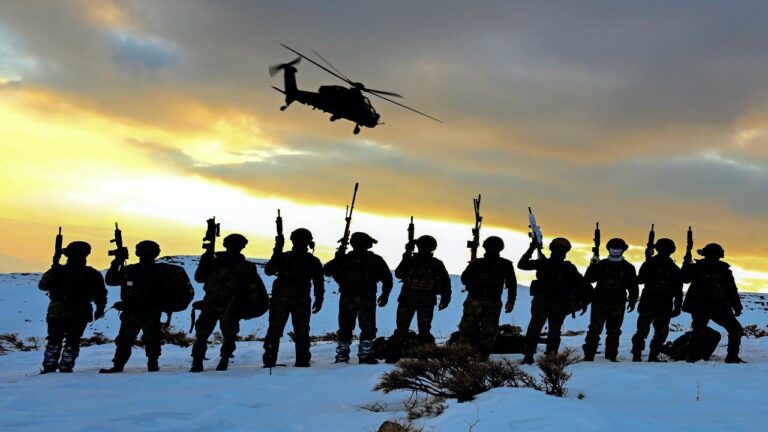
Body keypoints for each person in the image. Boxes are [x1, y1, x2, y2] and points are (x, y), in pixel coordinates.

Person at [100, 240, 192, 373]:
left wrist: (117, 262)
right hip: (134, 310)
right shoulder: (133, 270)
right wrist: (117, 261)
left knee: (148, 339)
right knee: (128, 340)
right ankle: (129, 364)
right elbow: (111, 280)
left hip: (149, 310)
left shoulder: (159, 271)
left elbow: (111, 280)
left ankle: (148, 364)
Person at [190, 233, 267, 372]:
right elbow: (199, 278)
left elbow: (199, 278)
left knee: (208, 333)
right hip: (222, 305)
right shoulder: (220, 263)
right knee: (221, 334)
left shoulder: (219, 263)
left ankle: (202, 361)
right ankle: (215, 360)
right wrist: (205, 259)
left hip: (224, 304)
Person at [323, 232, 393, 364]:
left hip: (348, 297)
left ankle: (343, 355)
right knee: (366, 327)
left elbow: (327, 270)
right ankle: (364, 354)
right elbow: (387, 279)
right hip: (365, 297)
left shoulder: (345, 259)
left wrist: (338, 258)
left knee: (346, 327)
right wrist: (385, 295)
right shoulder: (374, 259)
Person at [38, 241, 107, 373]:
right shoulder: (92, 273)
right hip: (79, 311)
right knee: (72, 340)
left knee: (55, 339)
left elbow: (42, 286)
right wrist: (100, 308)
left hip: (58, 310)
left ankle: (50, 366)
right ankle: (65, 366)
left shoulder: (59, 270)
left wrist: (54, 268)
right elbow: (100, 293)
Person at [518, 238, 587, 364]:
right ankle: (542, 356)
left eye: (561, 250)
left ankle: (541, 356)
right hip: (547, 303)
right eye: (558, 249)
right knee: (543, 330)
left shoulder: (561, 266)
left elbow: (582, 285)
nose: (559, 252)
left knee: (543, 330)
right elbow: (521, 265)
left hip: (553, 303)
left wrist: (531, 248)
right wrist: (532, 248)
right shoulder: (547, 264)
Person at [262, 228, 324, 367]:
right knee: (298, 331)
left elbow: (268, 271)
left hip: (286, 300)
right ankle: (301, 361)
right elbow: (318, 283)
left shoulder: (286, 257)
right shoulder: (309, 260)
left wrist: (277, 251)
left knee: (277, 330)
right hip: (295, 300)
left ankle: (270, 360)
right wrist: (319, 298)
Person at [682, 243, 744, 363]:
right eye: (710, 255)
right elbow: (685, 279)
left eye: (715, 255)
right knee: (699, 330)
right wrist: (686, 264)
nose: (713, 258)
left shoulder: (725, 272)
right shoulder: (697, 268)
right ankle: (693, 356)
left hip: (720, 306)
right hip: (701, 306)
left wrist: (737, 306)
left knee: (736, 330)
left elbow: (731, 290)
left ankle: (732, 356)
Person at [457, 236, 517, 358]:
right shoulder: (478, 263)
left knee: (488, 330)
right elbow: (465, 280)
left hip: (492, 301)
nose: (492, 250)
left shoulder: (505, 264)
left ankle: (482, 356)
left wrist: (511, 300)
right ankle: (464, 355)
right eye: (491, 247)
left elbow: (511, 284)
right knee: (468, 329)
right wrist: (472, 266)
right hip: (475, 299)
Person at [582, 238, 639, 362]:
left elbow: (633, 286)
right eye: (613, 248)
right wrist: (592, 264)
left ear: (623, 250)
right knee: (594, 329)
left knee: (614, 331)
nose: (615, 251)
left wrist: (633, 300)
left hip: (617, 303)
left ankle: (611, 356)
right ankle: (589, 355)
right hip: (600, 302)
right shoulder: (600, 264)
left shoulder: (628, 267)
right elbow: (589, 279)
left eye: (618, 248)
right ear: (608, 249)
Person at [393, 235, 451, 349]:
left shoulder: (435, 264)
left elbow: (445, 282)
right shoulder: (411, 260)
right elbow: (399, 274)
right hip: (412, 299)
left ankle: (419, 353)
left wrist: (446, 297)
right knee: (405, 329)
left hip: (421, 300)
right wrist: (407, 254)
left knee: (421, 330)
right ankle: (400, 352)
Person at [630, 238, 683, 362]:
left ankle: (639, 355)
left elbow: (640, 280)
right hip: (660, 303)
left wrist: (648, 261)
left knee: (645, 331)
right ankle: (649, 356)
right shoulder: (673, 268)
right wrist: (677, 307)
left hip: (653, 302)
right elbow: (678, 291)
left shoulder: (653, 264)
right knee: (658, 332)